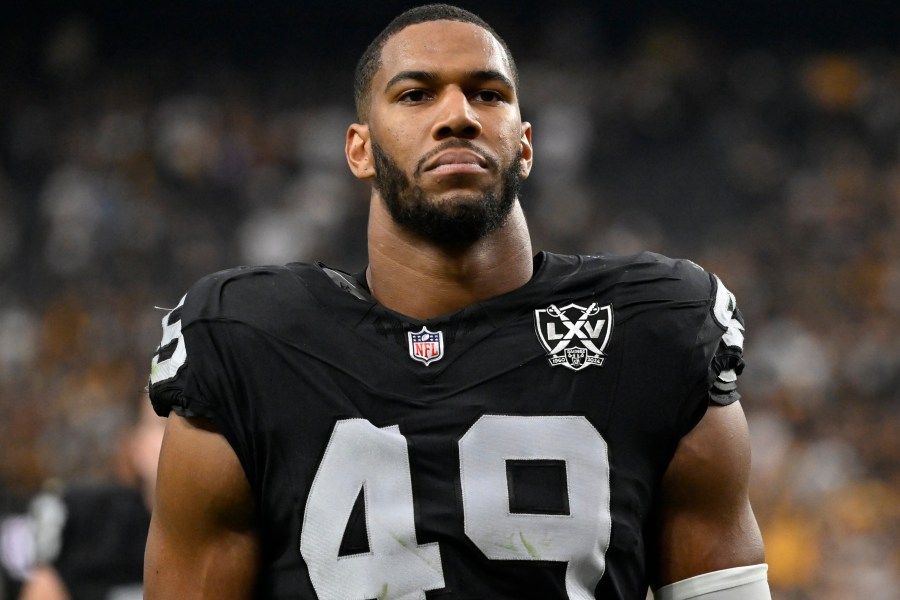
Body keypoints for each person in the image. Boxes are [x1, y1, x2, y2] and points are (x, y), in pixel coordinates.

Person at [145, 4, 770, 598]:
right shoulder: (246, 341)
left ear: (524, 145)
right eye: (416, 94)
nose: (458, 116)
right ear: (359, 149)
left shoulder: (653, 327)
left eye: (487, 94)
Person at [19, 395, 165, 600]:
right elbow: (45, 588)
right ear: (136, 447)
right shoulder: (91, 519)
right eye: (164, 422)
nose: (179, 438)